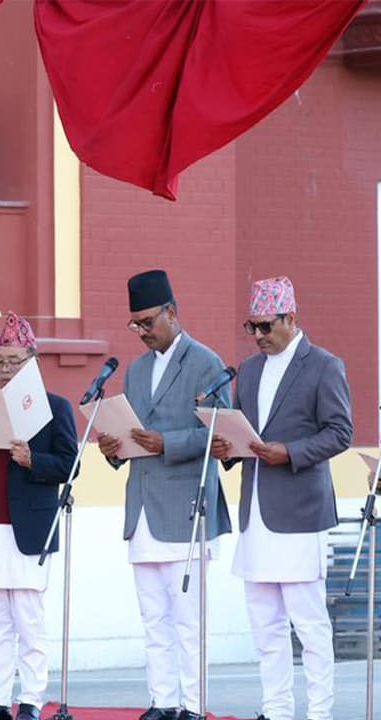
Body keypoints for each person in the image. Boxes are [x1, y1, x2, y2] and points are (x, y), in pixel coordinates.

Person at [212, 276, 351, 720]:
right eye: (251, 327)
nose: (258, 336)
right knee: (265, 624)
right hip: (255, 511)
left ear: (291, 318)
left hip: (298, 514)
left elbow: (340, 433)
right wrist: (226, 449)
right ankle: (276, 710)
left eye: (266, 327)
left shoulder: (324, 365)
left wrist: (289, 452)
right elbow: (246, 434)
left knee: (309, 624)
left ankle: (320, 712)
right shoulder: (249, 369)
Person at [96, 270, 231, 720]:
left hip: (185, 507)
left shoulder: (206, 362)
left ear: (172, 313)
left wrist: (166, 443)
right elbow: (132, 435)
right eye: (135, 324)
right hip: (142, 509)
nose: (141, 332)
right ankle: (163, 700)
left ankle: (193, 705)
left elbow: (221, 431)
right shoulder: (135, 371)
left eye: (147, 321)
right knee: (154, 618)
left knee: (188, 621)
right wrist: (114, 449)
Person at [0, 312, 77, 720]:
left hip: (29, 527)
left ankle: (32, 699)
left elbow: (69, 466)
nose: (4, 369)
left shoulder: (54, 407)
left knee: (28, 619)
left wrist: (32, 460)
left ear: (32, 360)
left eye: (13, 361)